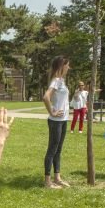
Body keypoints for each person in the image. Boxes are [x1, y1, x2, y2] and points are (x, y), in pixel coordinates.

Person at [43, 56, 71, 189]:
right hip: (56, 121)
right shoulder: (56, 81)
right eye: (67, 65)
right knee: (52, 150)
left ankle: (57, 178)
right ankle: (48, 181)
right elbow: (46, 97)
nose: (69, 68)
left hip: (63, 120)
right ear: (62, 66)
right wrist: (52, 112)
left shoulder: (61, 81)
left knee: (58, 150)